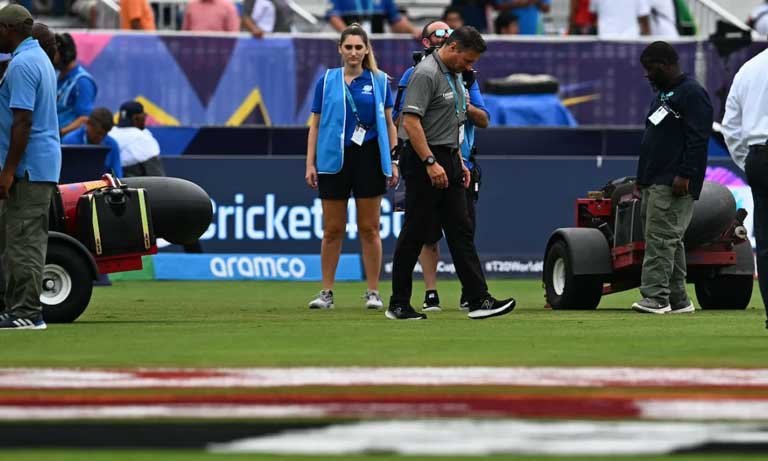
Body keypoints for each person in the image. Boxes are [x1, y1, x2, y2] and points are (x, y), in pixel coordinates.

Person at [389, 26, 515, 320]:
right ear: (453, 47)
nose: (471, 67)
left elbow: (453, 123)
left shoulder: (456, 74)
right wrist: (431, 161)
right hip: (423, 159)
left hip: (449, 156)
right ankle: (398, 303)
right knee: (415, 231)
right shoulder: (426, 73)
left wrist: (457, 161)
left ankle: (478, 299)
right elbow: (410, 122)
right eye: (468, 60)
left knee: (461, 229)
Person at [305, 24, 398, 310]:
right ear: (340, 49)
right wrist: (310, 163)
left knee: (369, 228)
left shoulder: (380, 81)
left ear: (367, 49)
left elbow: (390, 123)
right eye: (349, 47)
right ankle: (326, 292)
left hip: (369, 159)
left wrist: (393, 160)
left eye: (359, 47)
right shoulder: (327, 80)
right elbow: (315, 125)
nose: (354, 52)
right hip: (333, 160)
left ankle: (373, 291)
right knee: (332, 229)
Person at [632, 41, 712, 315]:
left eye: (650, 68)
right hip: (655, 179)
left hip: (674, 181)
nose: (646, 74)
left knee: (661, 239)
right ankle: (679, 300)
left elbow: (698, 139)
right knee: (669, 240)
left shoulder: (692, 93)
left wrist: (686, 175)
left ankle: (655, 298)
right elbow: (653, 140)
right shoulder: (663, 95)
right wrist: (642, 178)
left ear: (666, 64)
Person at [0, 5, 61, 330]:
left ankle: (26, 313)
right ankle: (14, 308)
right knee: (14, 240)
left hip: (27, 170)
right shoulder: (35, 59)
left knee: (24, 242)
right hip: (33, 167)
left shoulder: (24, 64)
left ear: (9, 28)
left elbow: (23, 121)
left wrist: (8, 170)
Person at [721, 44, 768, 329]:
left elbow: (731, 126)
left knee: (765, 243)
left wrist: (749, 161)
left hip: (759, 156)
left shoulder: (749, 69)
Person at [54, 32, 97, 138]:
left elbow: (84, 119)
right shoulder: (55, 75)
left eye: (53, 52)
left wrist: (60, 133)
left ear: (65, 53)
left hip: (66, 143)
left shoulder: (82, 82)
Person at [61, 107, 123, 177]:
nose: (101, 137)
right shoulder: (70, 141)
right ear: (88, 124)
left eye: (104, 134)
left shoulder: (112, 145)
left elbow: (117, 176)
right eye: (98, 133)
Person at [110, 100, 165, 177]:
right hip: (132, 185)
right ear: (136, 118)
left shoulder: (109, 134)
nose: (145, 118)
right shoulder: (143, 138)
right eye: (144, 115)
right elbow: (158, 178)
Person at [327, 0, 416, 35]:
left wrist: (414, 31)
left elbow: (396, 21)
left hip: (376, 46)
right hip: (352, 47)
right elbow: (333, 17)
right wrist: (350, 36)